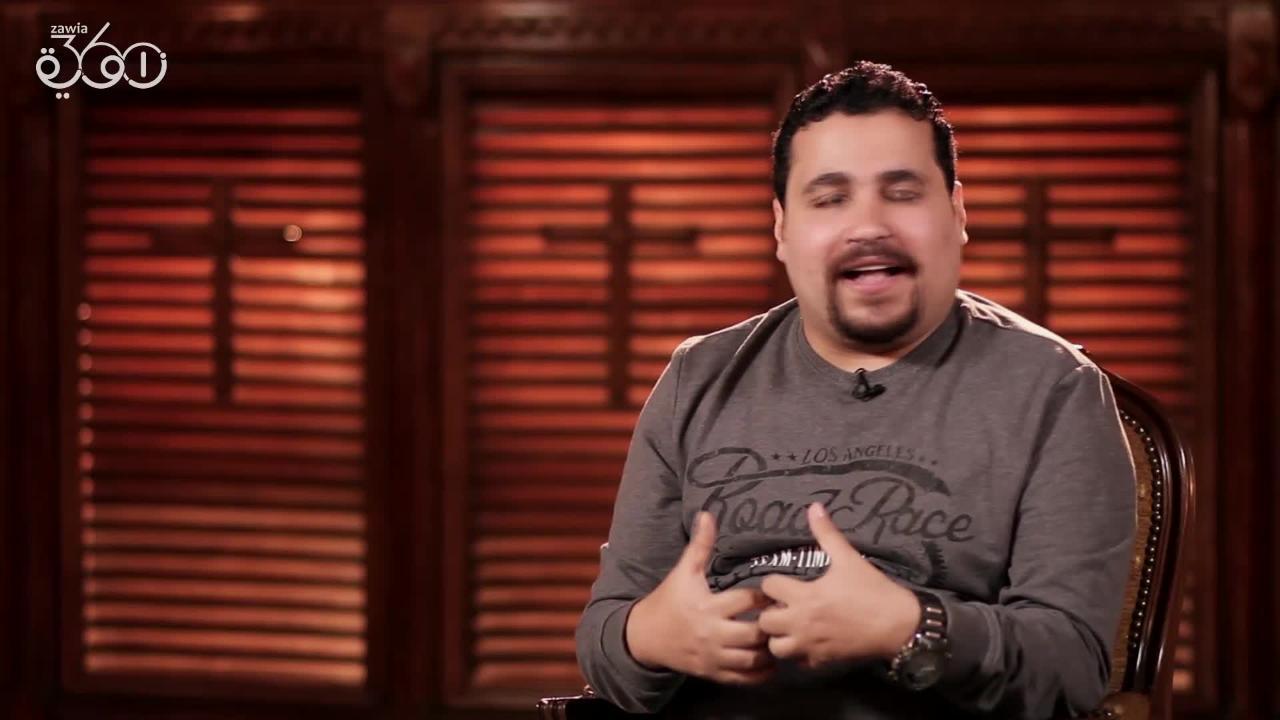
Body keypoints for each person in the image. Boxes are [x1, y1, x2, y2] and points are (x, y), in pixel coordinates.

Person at [574, 61, 1136, 720]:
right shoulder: (696, 380)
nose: (868, 225)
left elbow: (1071, 668)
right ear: (782, 228)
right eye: (830, 198)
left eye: (902, 192)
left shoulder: (1055, 390)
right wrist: (652, 636)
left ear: (956, 212)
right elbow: (605, 637)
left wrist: (910, 628)